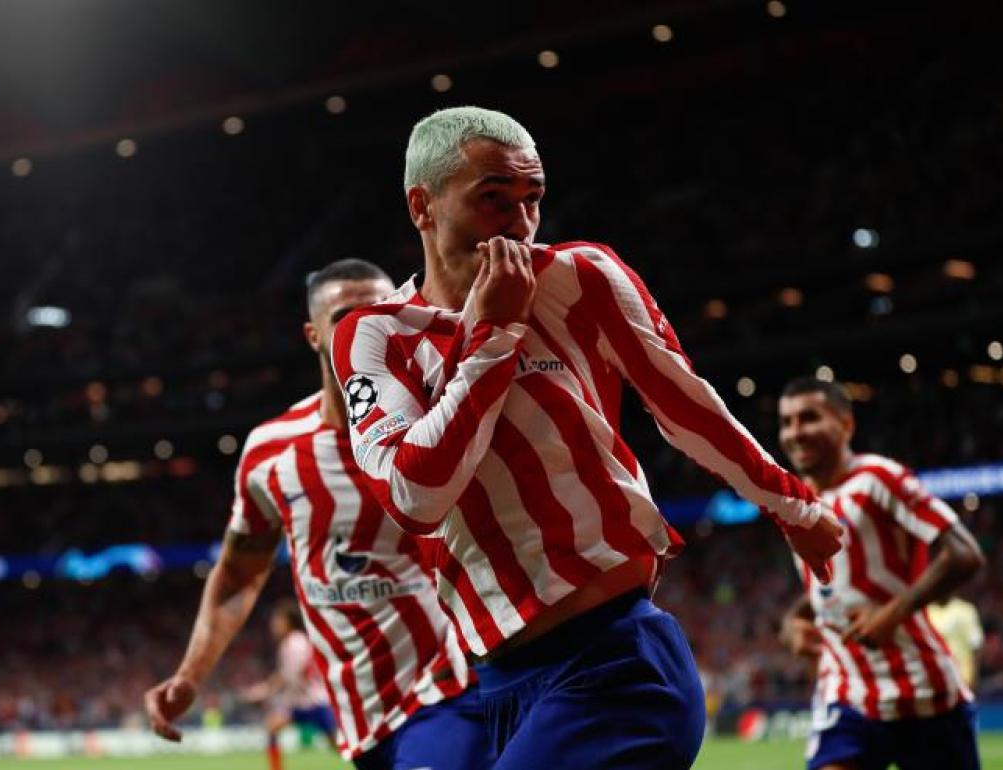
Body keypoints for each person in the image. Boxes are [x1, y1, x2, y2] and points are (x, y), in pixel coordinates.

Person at [330, 106, 843, 769]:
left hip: (617, 660)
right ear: (422, 206)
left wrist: (789, 504)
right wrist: (493, 336)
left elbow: (685, 404)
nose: (519, 222)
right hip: (500, 682)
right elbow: (415, 497)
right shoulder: (375, 334)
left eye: (532, 199)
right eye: (493, 199)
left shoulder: (582, 276)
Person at [144, 258, 492, 770]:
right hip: (360, 719)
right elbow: (238, 574)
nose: (368, 326)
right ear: (313, 335)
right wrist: (190, 675)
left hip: (450, 693)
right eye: (346, 317)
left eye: (382, 310)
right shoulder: (271, 453)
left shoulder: (439, 422)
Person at [776, 377, 984, 770]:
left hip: (922, 692)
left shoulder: (878, 478)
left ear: (846, 424)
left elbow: (965, 554)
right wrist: (792, 621)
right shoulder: (796, 505)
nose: (795, 432)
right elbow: (833, 585)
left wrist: (893, 613)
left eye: (809, 418)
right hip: (846, 695)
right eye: (786, 422)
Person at [241, 601, 337, 769]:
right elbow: (285, 675)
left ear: (289, 622)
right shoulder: (292, 642)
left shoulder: (295, 642)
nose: (274, 625)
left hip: (314, 702)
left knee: (336, 743)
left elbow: (288, 676)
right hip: (299, 703)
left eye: (278, 620)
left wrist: (264, 692)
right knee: (272, 727)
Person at [927, 594, 984, 690]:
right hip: (935, 678)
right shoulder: (927, 611)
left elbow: (976, 646)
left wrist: (975, 676)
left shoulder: (966, 610)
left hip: (963, 678)